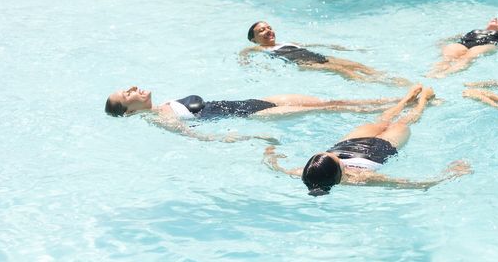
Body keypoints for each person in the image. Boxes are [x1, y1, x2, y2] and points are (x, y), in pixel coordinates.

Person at [264, 84, 471, 195]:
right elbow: (413, 184)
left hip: (348, 143)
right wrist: (451, 174)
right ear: (340, 171)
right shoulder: (359, 179)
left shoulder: (307, 173)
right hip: (378, 150)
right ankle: (423, 100)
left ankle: (406, 99)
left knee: (381, 120)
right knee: (403, 123)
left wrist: (270, 152)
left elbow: (275, 167)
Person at [104, 85, 402, 142]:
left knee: (325, 102)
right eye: (126, 95)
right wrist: (244, 138)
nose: (132, 88)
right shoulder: (160, 118)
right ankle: (395, 109)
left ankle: (388, 100)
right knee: (326, 110)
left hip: (246, 102)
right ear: (128, 112)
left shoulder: (163, 106)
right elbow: (197, 137)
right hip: (247, 117)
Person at [242, 21, 407, 85]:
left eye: (269, 27)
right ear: (254, 39)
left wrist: (340, 47)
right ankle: (374, 83)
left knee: (356, 65)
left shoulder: (287, 42)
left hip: (316, 56)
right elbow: (244, 54)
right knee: (341, 70)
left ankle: (390, 79)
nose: (268, 31)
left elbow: (314, 45)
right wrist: (247, 66)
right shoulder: (259, 48)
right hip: (304, 63)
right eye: (262, 30)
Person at [427, 18, 498, 78]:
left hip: (486, 44)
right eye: (493, 19)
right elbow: (449, 39)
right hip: (464, 44)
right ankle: (432, 73)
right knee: (449, 55)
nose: (495, 19)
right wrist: (442, 44)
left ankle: (445, 73)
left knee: (468, 57)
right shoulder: (475, 30)